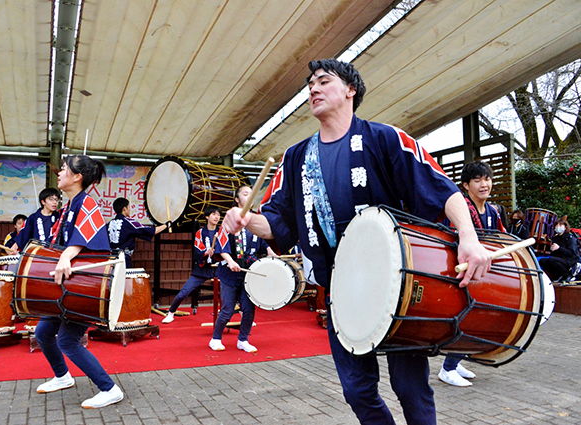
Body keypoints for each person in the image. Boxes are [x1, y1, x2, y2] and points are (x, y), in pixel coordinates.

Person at [222, 58, 491, 424]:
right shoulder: (296, 158)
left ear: (351, 90)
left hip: (399, 283)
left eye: (323, 81)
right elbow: (277, 223)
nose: (313, 89)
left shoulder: (384, 138)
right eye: (309, 84)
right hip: (340, 290)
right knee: (357, 391)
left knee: (410, 388)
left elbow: (441, 188)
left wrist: (469, 236)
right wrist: (246, 220)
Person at [34, 155, 124, 409]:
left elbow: (85, 238)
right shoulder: (68, 207)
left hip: (86, 286)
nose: (59, 173)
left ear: (77, 177)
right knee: (42, 333)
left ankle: (110, 389)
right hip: (66, 286)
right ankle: (63, 376)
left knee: (67, 340)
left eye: (64, 169)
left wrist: (66, 255)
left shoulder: (88, 204)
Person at [439, 160, 506, 388]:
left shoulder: (493, 211)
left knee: (476, 319)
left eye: (486, 179)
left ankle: (455, 363)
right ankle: (447, 369)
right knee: (469, 318)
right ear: (466, 185)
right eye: (477, 180)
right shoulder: (462, 210)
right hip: (462, 272)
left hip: (482, 273)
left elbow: (499, 240)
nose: (484, 184)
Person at [210, 186, 277, 353]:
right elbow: (222, 247)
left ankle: (243, 340)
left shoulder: (257, 220)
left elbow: (265, 244)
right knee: (227, 309)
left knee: (248, 309)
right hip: (229, 274)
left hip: (249, 274)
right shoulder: (230, 220)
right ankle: (215, 338)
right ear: (237, 200)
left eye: (251, 194)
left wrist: (273, 255)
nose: (249, 196)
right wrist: (231, 261)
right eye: (245, 194)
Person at [162, 206, 222, 324]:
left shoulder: (222, 232)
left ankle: (243, 316)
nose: (217, 217)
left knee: (230, 293)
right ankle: (171, 313)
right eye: (214, 214)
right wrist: (206, 252)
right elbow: (197, 251)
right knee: (184, 292)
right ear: (206, 216)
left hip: (218, 268)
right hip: (202, 268)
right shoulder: (200, 233)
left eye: (218, 215)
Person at [107, 197, 170, 268]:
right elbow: (151, 231)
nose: (129, 209)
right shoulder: (129, 223)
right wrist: (166, 225)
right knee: (124, 278)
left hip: (110, 260)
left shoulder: (109, 224)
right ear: (124, 209)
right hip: (123, 259)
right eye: (129, 207)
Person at [9, 188, 60, 254]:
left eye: (56, 199)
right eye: (51, 199)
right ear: (43, 202)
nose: (54, 202)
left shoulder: (59, 217)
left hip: (55, 254)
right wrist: (15, 246)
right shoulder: (33, 218)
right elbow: (24, 234)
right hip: (37, 254)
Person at [539, 218, 580, 282]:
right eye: (556, 225)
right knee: (542, 261)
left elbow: (571, 253)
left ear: (565, 228)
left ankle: (567, 275)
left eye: (560, 225)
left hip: (570, 260)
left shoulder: (570, 238)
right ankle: (557, 275)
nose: (558, 227)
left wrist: (559, 248)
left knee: (552, 260)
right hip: (560, 259)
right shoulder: (555, 238)